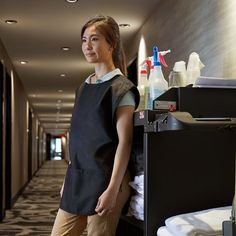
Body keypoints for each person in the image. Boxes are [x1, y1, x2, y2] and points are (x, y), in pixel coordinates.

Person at [51, 15, 139, 236]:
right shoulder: (82, 88)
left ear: (112, 44)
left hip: (106, 179)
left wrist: (112, 190)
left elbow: (124, 143)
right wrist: (68, 179)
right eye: (83, 40)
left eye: (94, 39)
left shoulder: (121, 89)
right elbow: (80, 139)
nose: (87, 46)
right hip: (78, 179)